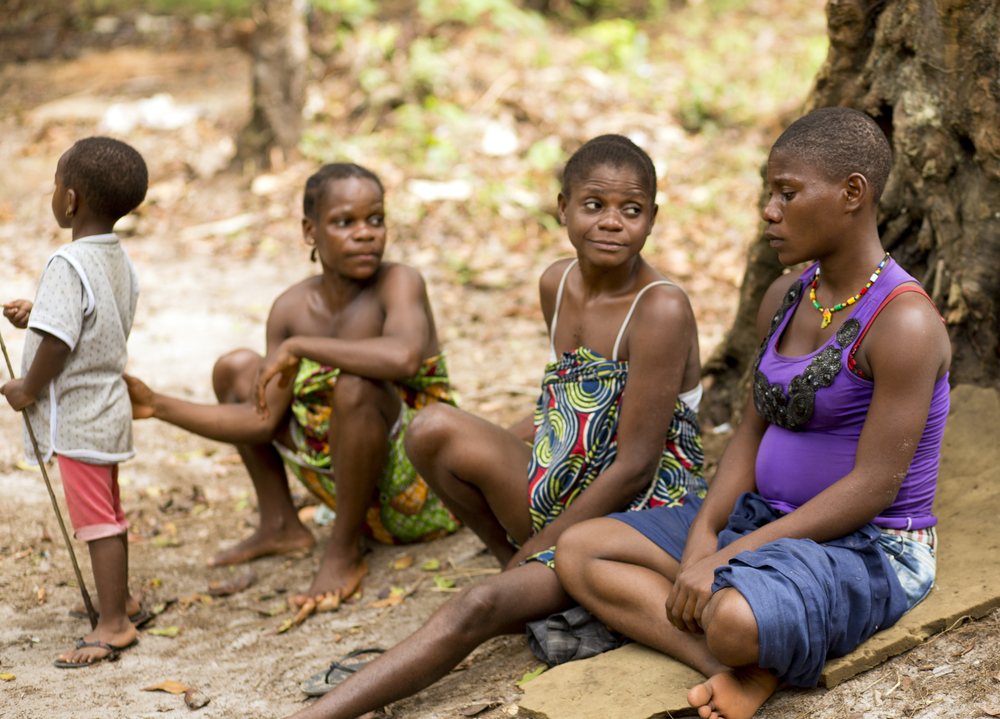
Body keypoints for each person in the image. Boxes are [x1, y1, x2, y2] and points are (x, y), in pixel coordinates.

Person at [281, 134, 705, 717]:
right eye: (593, 206)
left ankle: (321, 712)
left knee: (475, 605)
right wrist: (528, 536)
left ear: (652, 219)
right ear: (562, 208)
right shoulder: (557, 283)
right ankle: (530, 587)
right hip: (564, 491)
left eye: (631, 210)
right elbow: (571, 408)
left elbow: (634, 466)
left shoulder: (659, 307)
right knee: (430, 428)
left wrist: (535, 551)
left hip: (634, 519)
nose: (611, 223)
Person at [555, 107, 951, 719]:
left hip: (868, 547)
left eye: (786, 193)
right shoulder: (786, 296)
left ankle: (739, 643)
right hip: (762, 520)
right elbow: (748, 433)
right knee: (581, 550)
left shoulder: (904, 322)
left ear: (852, 193)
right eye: (769, 192)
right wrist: (707, 534)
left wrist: (725, 560)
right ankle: (732, 670)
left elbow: (874, 487)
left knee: (734, 617)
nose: (769, 210)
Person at [124, 163, 459, 609]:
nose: (366, 234)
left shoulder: (399, 283)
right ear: (310, 231)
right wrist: (157, 405)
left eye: (375, 219)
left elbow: (404, 356)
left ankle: (342, 552)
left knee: (356, 384)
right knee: (237, 368)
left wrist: (303, 347)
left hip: (420, 490)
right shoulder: (291, 307)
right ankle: (280, 523)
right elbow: (260, 420)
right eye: (345, 222)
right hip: (343, 483)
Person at [1, 137, 149, 667]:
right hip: (107, 407)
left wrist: (27, 387)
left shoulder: (66, 260)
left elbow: (62, 341)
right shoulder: (115, 256)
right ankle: (123, 601)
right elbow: (93, 315)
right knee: (109, 512)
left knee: (96, 521)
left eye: (54, 185)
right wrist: (39, 311)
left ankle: (113, 623)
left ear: (70, 200)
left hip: (80, 417)